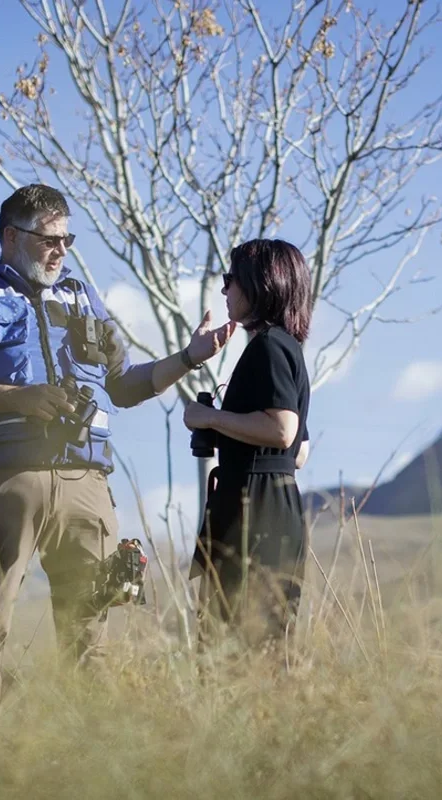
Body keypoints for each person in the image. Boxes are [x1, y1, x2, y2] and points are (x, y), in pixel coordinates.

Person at [0, 183, 235, 707]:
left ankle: (91, 764)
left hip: (87, 486)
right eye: (48, 239)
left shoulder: (81, 294)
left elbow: (125, 385)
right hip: (3, 481)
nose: (61, 250)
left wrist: (191, 356)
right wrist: (19, 398)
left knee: (90, 642)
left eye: (67, 239)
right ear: (11, 236)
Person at [182, 238, 313, 656]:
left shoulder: (269, 347)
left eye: (230, 279)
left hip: (253, 510)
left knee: (233, 651)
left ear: (260, 284)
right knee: (265, 649)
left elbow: (283, 431)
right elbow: (300, 452)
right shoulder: (288, 348)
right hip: (277, 506)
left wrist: (210, 419)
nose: (224, 290)